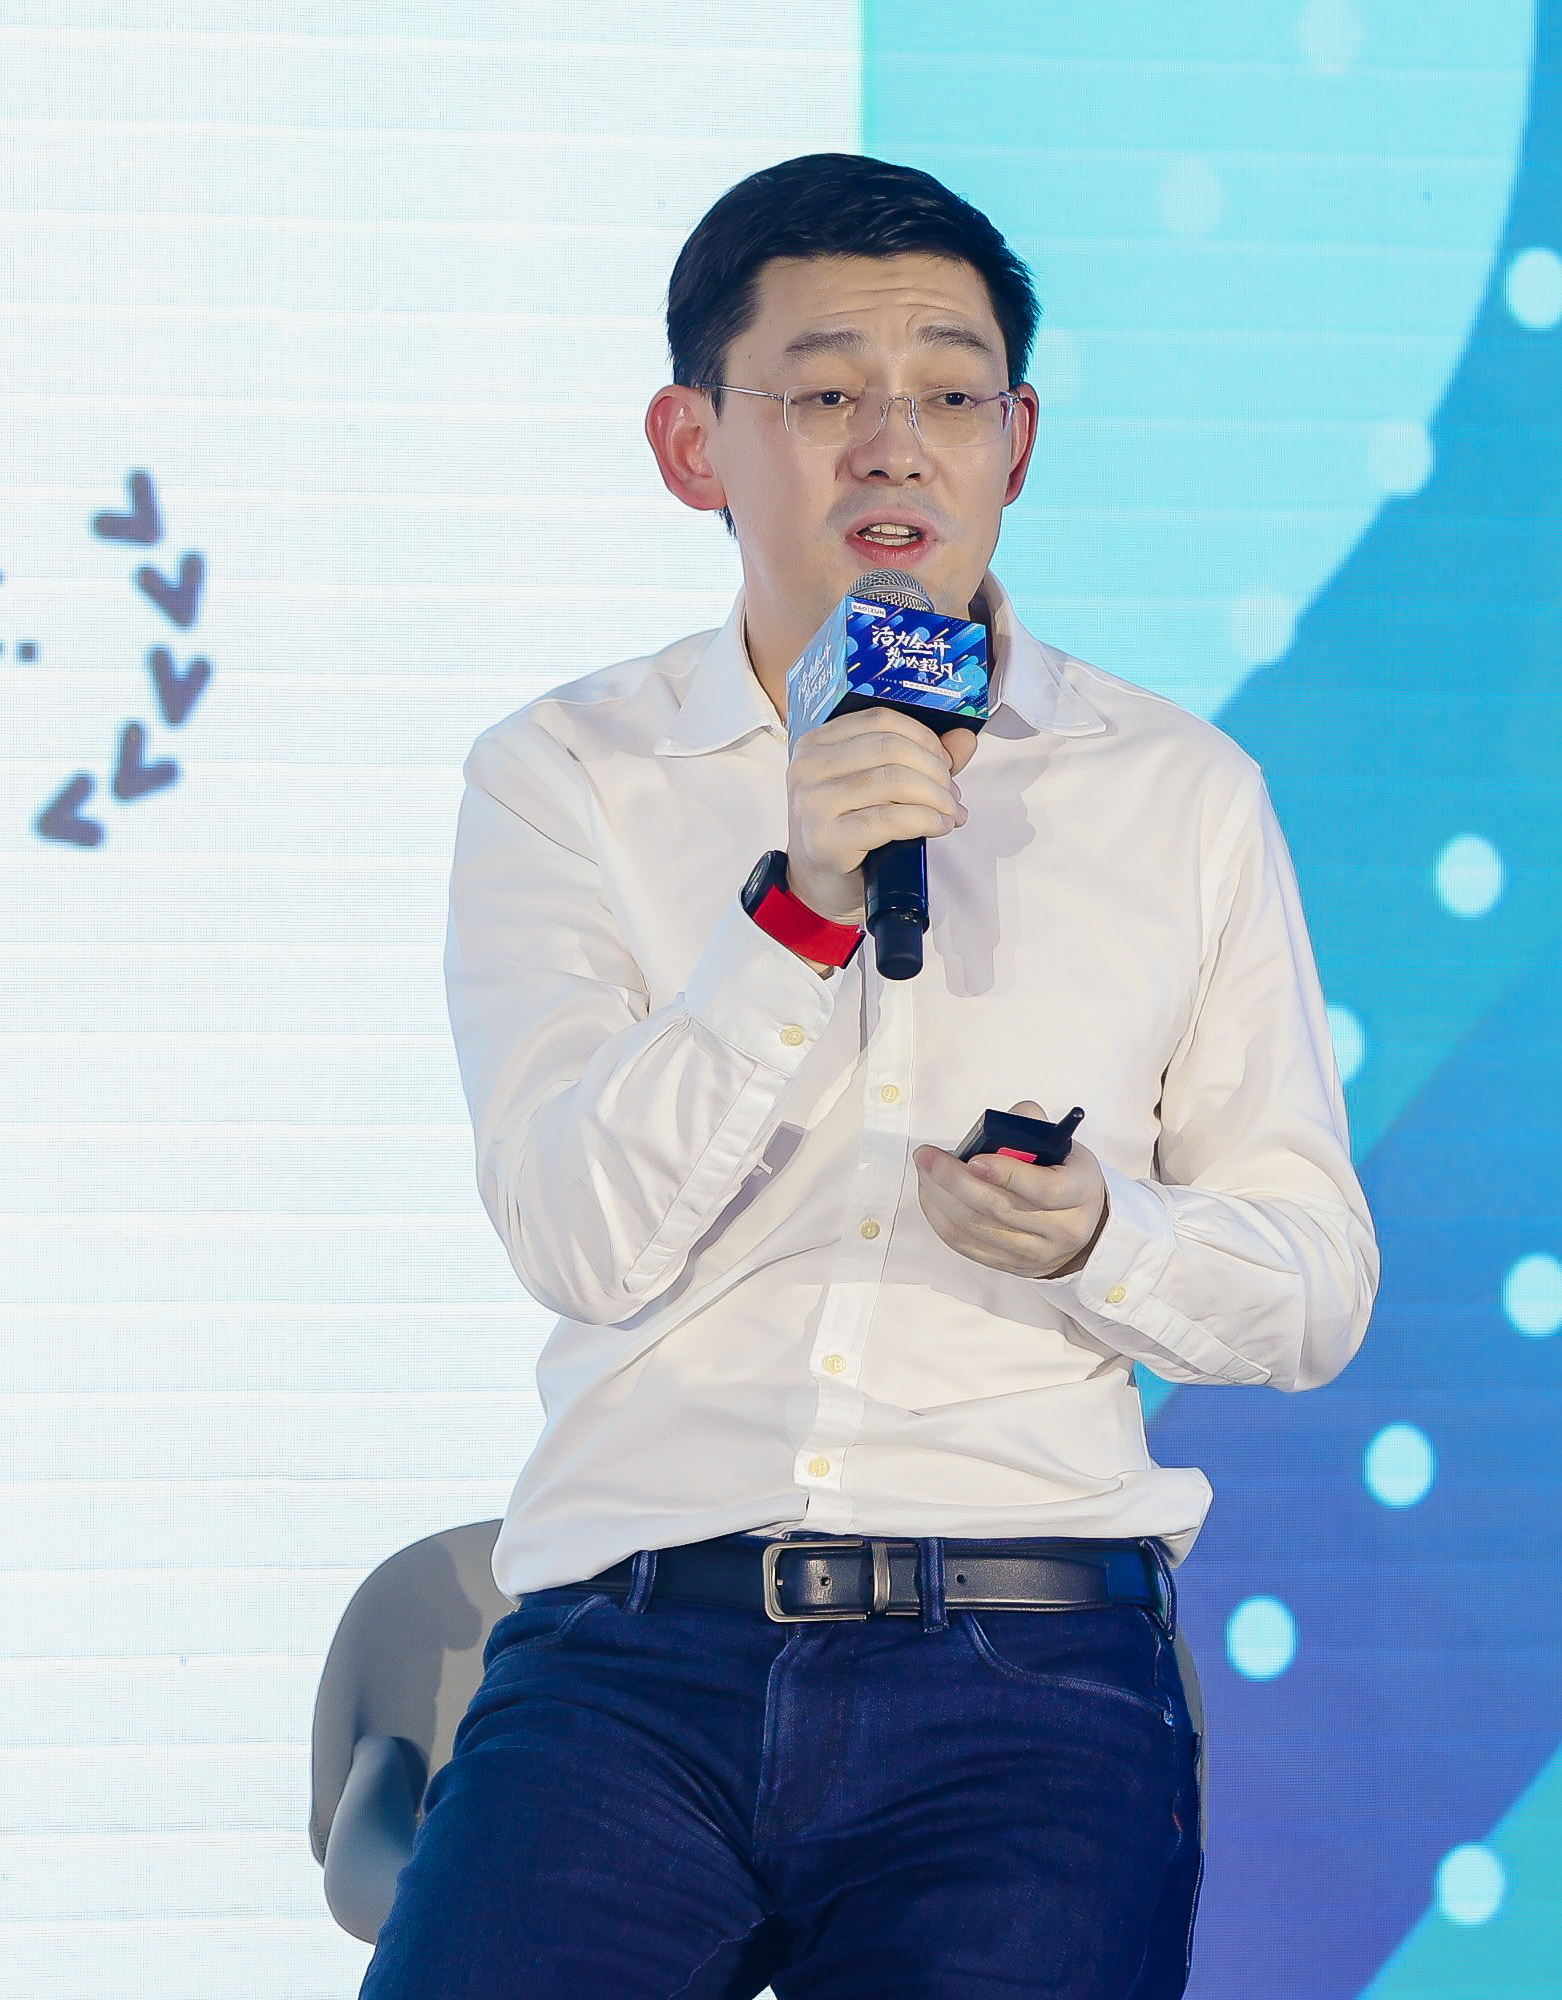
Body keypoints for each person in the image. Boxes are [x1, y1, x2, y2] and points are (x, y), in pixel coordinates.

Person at [363, 153, 1378, 1998]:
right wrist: (796, 914)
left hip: (1028, 1665)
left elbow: (1316, 1290)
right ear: (692, 444)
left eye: (951, 396)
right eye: (827, 394)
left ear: (1020, 442)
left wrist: (1103, 1237)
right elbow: (577, 1236)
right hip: (631, 1657)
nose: (895, 447)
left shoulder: (1179, 796)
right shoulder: (566, 776)